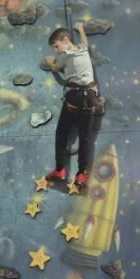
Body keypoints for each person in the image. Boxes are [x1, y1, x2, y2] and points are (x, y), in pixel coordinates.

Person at [44, 23, 104, 189]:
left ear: (65, 40)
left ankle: (60, 170)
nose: (56, 50)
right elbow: (85, 42)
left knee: (61, 133)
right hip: (90, 98)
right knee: (85, 136)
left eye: (56, 46)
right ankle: (81, 174)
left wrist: (49, 61)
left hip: (74, 97)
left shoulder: (65, 55)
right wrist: (81, 29)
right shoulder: (83, 49)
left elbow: (55, 67)